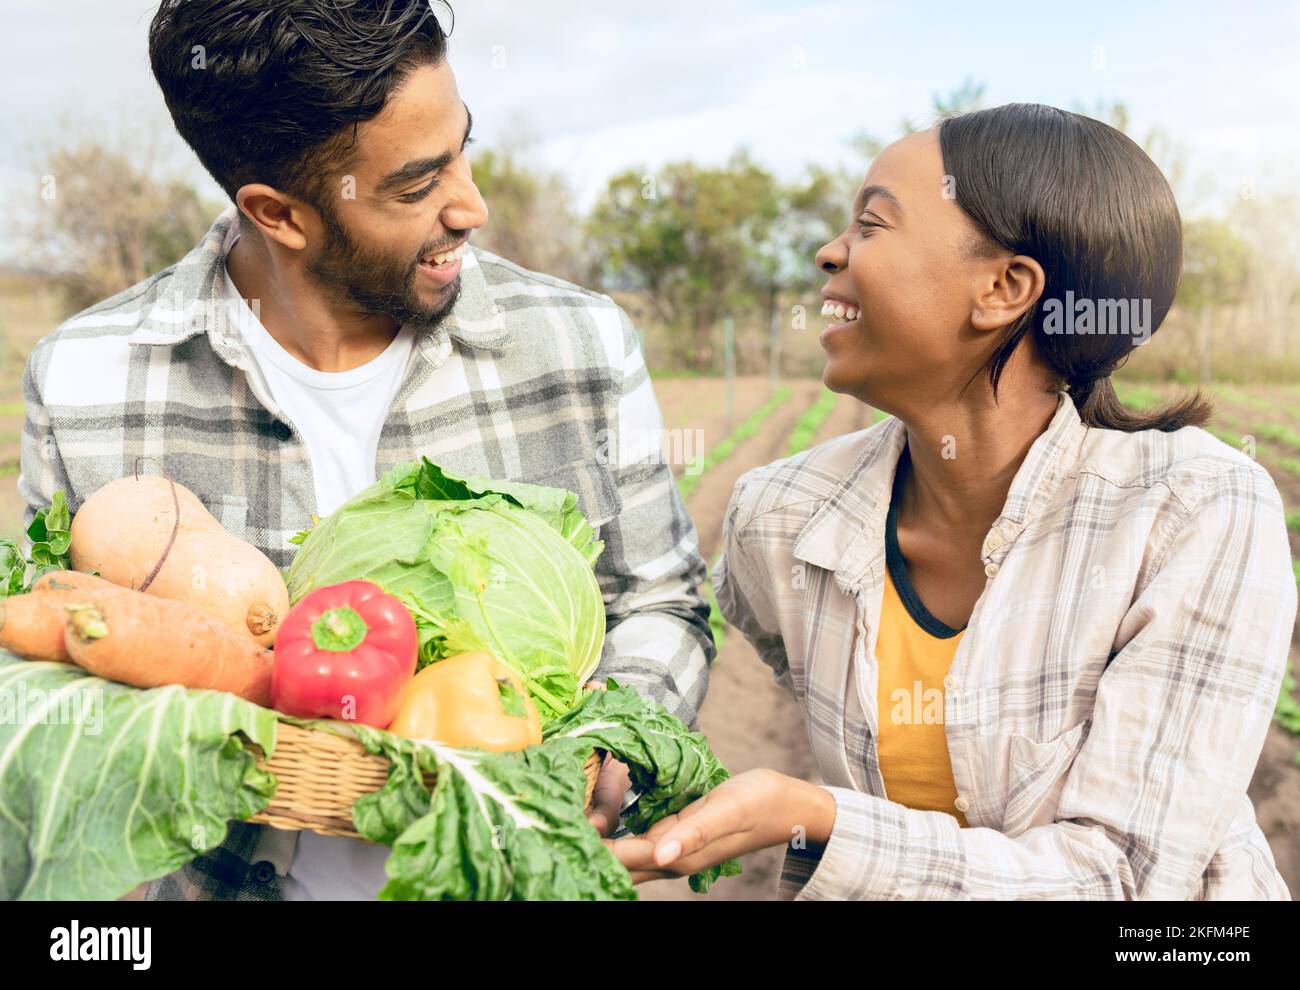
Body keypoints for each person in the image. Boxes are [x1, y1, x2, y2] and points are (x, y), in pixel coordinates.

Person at [17, 0, 714, 900]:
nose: (474, 205)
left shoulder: (578, 344)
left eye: (464, 145)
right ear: (280, 213)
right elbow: (62, 664)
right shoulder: (84, 380)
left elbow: (663, 599)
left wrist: (609, 742)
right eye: (419, 186)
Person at [607, 104, 1295, 900]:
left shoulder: (1195, 509)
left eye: (872, 224)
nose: (830, 252)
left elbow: (1131, 883)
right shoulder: (780, 516)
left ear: (1004, 287)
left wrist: (822, 819)